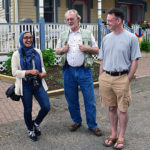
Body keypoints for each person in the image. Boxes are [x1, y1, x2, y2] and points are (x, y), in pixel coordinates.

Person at [98, 8, 141, 149]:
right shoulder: (106, 38)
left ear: (119, 21)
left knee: (123, 109)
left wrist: (128, 78)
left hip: (122, 77)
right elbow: (102, 59)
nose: (107, 23)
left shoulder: (131, 38)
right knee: (111, 108)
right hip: (106, 77)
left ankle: (121, 136)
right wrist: (101, 76)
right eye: (107, 20)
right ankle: (113, 134)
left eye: (110, 20)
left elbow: (135, 60)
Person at [55, 9, 102, 136]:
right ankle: (76, 121)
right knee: (71, 99)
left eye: (72, 19)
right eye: (68, 20)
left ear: (78, 19)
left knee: (89, 99)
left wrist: (87, 48)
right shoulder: (64, 35)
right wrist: (62, 50)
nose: (69, 21)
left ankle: (92, 125)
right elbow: (56, 50)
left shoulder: (86, 33)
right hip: (68, 70)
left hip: (84, 70)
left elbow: (97, 50)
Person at [11, 31, 50, 141]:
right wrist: (28, 72)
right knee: (28, 110)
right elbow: (14, 72)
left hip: (38, 82)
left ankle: (36, 123)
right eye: (25, 38)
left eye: (30, 37)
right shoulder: (16, 54)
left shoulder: (37, 52)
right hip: (25, 85)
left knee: (46, 106)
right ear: (21, 40)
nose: (29, 39)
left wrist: (43, 73)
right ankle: (30, 130)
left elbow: (42, 67)